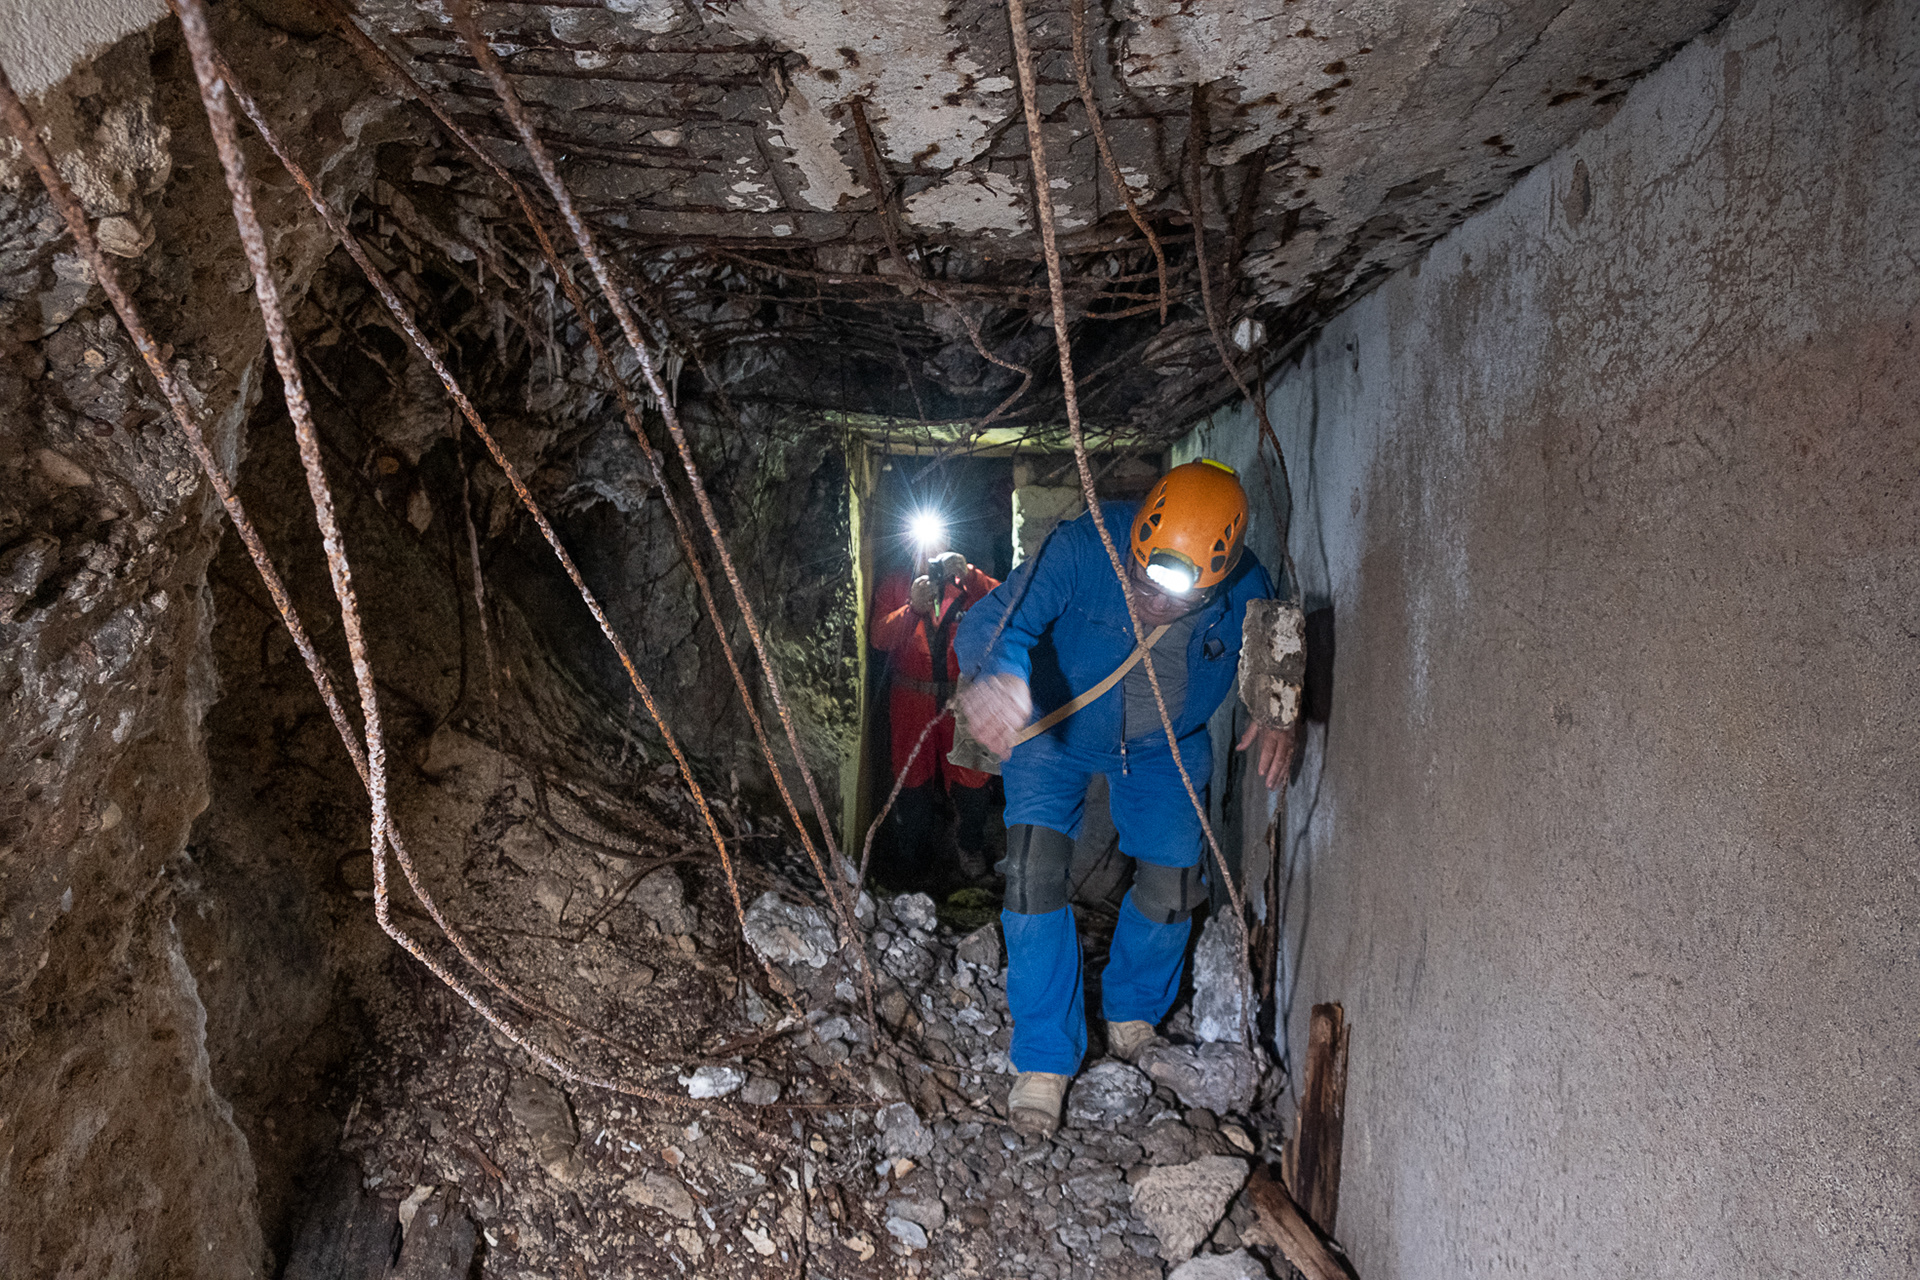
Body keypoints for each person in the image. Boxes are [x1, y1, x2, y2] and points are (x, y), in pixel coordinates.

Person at [954, 460, 1295, 1137]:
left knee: (1173, 886)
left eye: (1177, 599)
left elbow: (1275, 637)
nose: (1154, 604)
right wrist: (1001, 675)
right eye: (1142, 582)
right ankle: (1045, 1058)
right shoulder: (1083, 547)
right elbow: (993, 622)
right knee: (1031, 875)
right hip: (1054, 732)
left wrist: (1276, 707)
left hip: (1163, 745)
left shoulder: (1247, 584)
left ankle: (1133, 1011)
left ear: (1218, 580)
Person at [869, 519, 1002, 888]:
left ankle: (969, 849)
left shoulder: (969, 584)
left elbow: (1008, 606)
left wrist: (971, 577)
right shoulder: (896, 584)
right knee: (912, 781)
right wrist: (911, 609)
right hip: (912, 699)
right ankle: (912, 859)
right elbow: (879, 637)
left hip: (965, 698)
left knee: (973, 781)